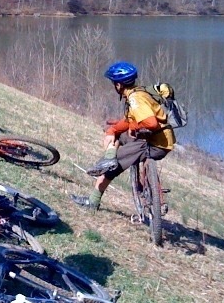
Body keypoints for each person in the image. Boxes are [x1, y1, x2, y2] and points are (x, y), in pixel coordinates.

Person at [71, 61, 175, 210]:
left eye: (114, 83)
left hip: (154, 144)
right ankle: (110, 157)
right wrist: (113, 129)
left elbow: (151, 123)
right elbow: (130, 120)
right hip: (160, 140)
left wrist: (132, 126)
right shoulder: (139, 92)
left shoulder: (135, 99)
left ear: (119, 85)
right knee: (117, 134)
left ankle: (93, 200)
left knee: (113, 167)